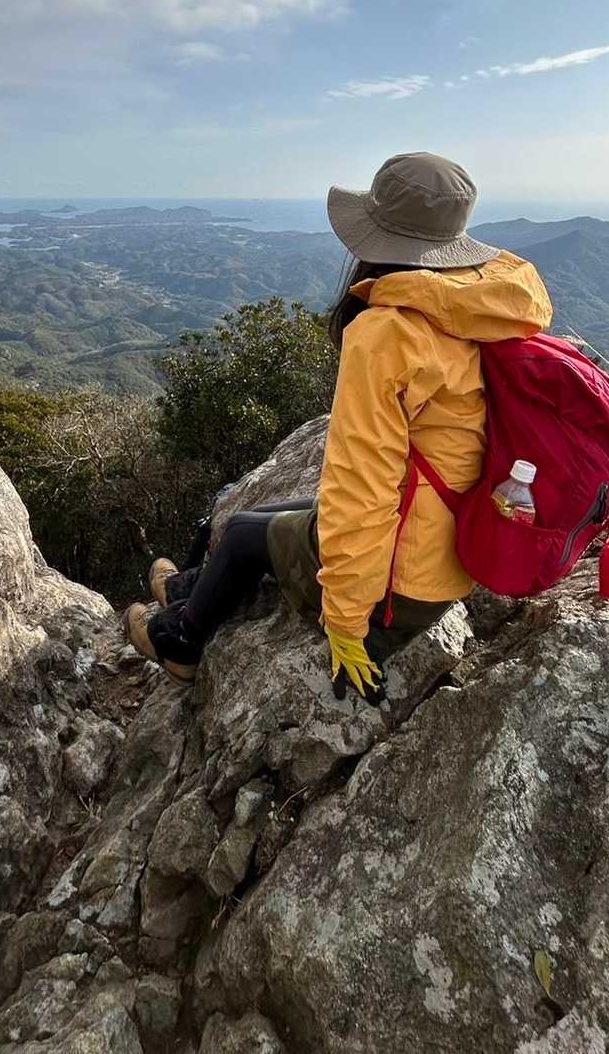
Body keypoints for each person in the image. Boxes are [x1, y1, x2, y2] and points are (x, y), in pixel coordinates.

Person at [124, 152, 553, 700]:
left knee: (242, 534)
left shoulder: (387, 333)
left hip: (400, 590)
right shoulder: (482, 306)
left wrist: (348, 622)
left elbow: (363, 486)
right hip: (449, 551)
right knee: (264, 517)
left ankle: (180, 641)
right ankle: (188, 587)